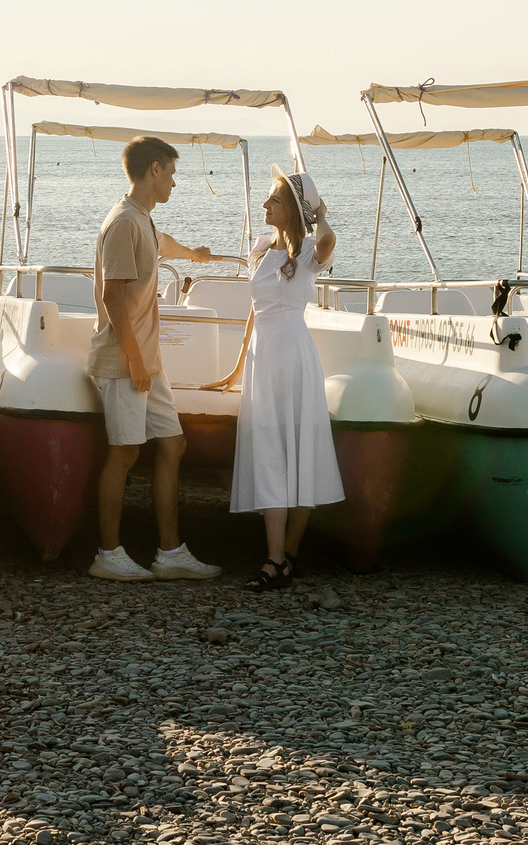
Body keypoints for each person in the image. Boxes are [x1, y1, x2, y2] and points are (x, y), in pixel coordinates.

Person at [87, 135, 224, 583]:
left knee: (173, 443)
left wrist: (195, 255)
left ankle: (170, 552)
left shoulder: (142, 218)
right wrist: (134, 361)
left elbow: (161, 243)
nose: (175, 182)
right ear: (154, 171)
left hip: (148, 359)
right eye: (172, 173)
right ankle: (107, 554)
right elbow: (113, 296)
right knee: (124, 452)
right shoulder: (124, 221)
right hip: (126, 359)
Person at [234, 168, 342, 590]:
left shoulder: (313, 249)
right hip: (263, 359)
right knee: (270, 453)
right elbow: (254, 312)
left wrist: (320, 211)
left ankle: (284, 557)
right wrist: (234, 369)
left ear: (292, 211)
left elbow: (330, 239)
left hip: (294, 357)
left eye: (273, 201)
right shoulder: (260, 249)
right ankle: (277, 558)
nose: (264, 206)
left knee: (301, 453)